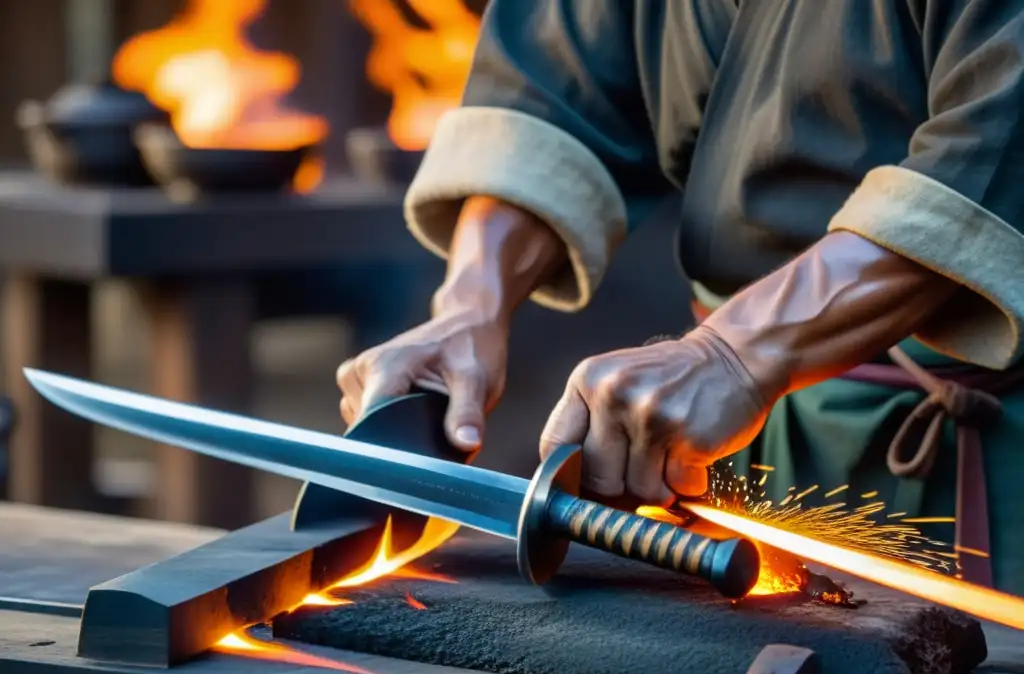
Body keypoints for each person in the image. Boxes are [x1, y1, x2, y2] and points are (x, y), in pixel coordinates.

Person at [336, 1, 1024, 595]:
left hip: (991, 444)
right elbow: (554, 88)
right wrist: (468, 307)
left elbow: (990, 151)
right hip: (730, 433)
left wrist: (734, 354)